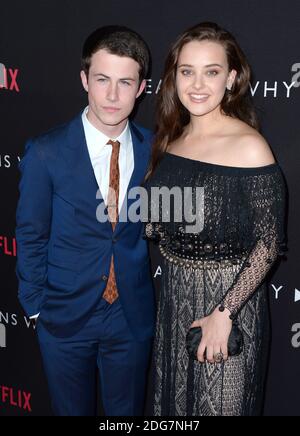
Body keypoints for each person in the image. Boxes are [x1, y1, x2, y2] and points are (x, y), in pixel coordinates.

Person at [144, 22, 287, 416]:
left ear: (232, 77)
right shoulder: (171, 140)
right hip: (174, 300)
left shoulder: (250, 146)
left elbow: (269, 243)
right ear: (174, 77)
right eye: (187, 71)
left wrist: (224, 314)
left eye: (212, 71)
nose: (197, 84)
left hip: (230, 305)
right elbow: (160, 223)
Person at [16, 25, 155, 416]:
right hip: (64, 316)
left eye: (125, 82)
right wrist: (37, 308)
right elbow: (30, 234)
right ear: (84, 80)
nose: (113, 95)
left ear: (142, 87)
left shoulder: (154, 150)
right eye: (102, 80)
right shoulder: (46, 152)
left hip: (130, 317)